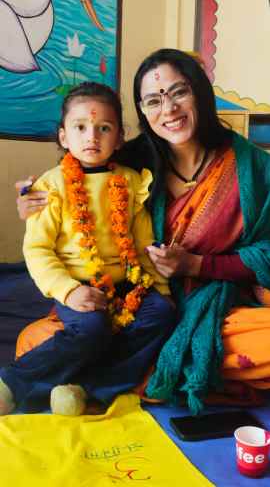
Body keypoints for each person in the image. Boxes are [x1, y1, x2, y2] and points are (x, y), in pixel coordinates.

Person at [16, 50, 270, 414]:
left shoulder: (252, 167)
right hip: (129, 302)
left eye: (179, 92)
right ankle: (153, 368)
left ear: (199, 92)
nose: (168, 109)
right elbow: (73, 187)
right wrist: (31, 202)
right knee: (34, 339)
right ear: (142, 111)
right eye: (153, 100)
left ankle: (101, 378)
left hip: (211, 302)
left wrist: (196, 266)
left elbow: (267, 251)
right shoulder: (130, 162)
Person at [0, 81, 176, 416]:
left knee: (163, 313)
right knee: (92, 328)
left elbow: (142, 242)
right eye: (80, 127)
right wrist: (67, 292)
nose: (92, 137)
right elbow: (38, 251)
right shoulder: (49, 187)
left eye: (103, 128)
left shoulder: (131, 181)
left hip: (128, 284)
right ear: (64, 137)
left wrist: (161, 288)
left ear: (120, 137)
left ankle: (87, 388)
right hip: (77, 284)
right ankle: (12, 382)